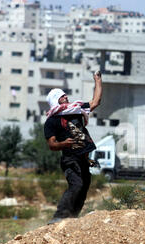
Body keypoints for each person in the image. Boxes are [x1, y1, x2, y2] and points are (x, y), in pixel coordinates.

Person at [44, 71, 103, 224]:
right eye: (62, 97)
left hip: (83, 159)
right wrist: (64, 144)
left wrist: (98, 80)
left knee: (83, 189)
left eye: (65, 95)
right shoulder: (52, 122)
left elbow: (95, 101)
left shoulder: (77, 110)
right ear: (56, 101)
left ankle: (71, 220)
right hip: (70, 159)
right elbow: (51, 145)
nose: (66, 97)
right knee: (76, 185)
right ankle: (58, 216)